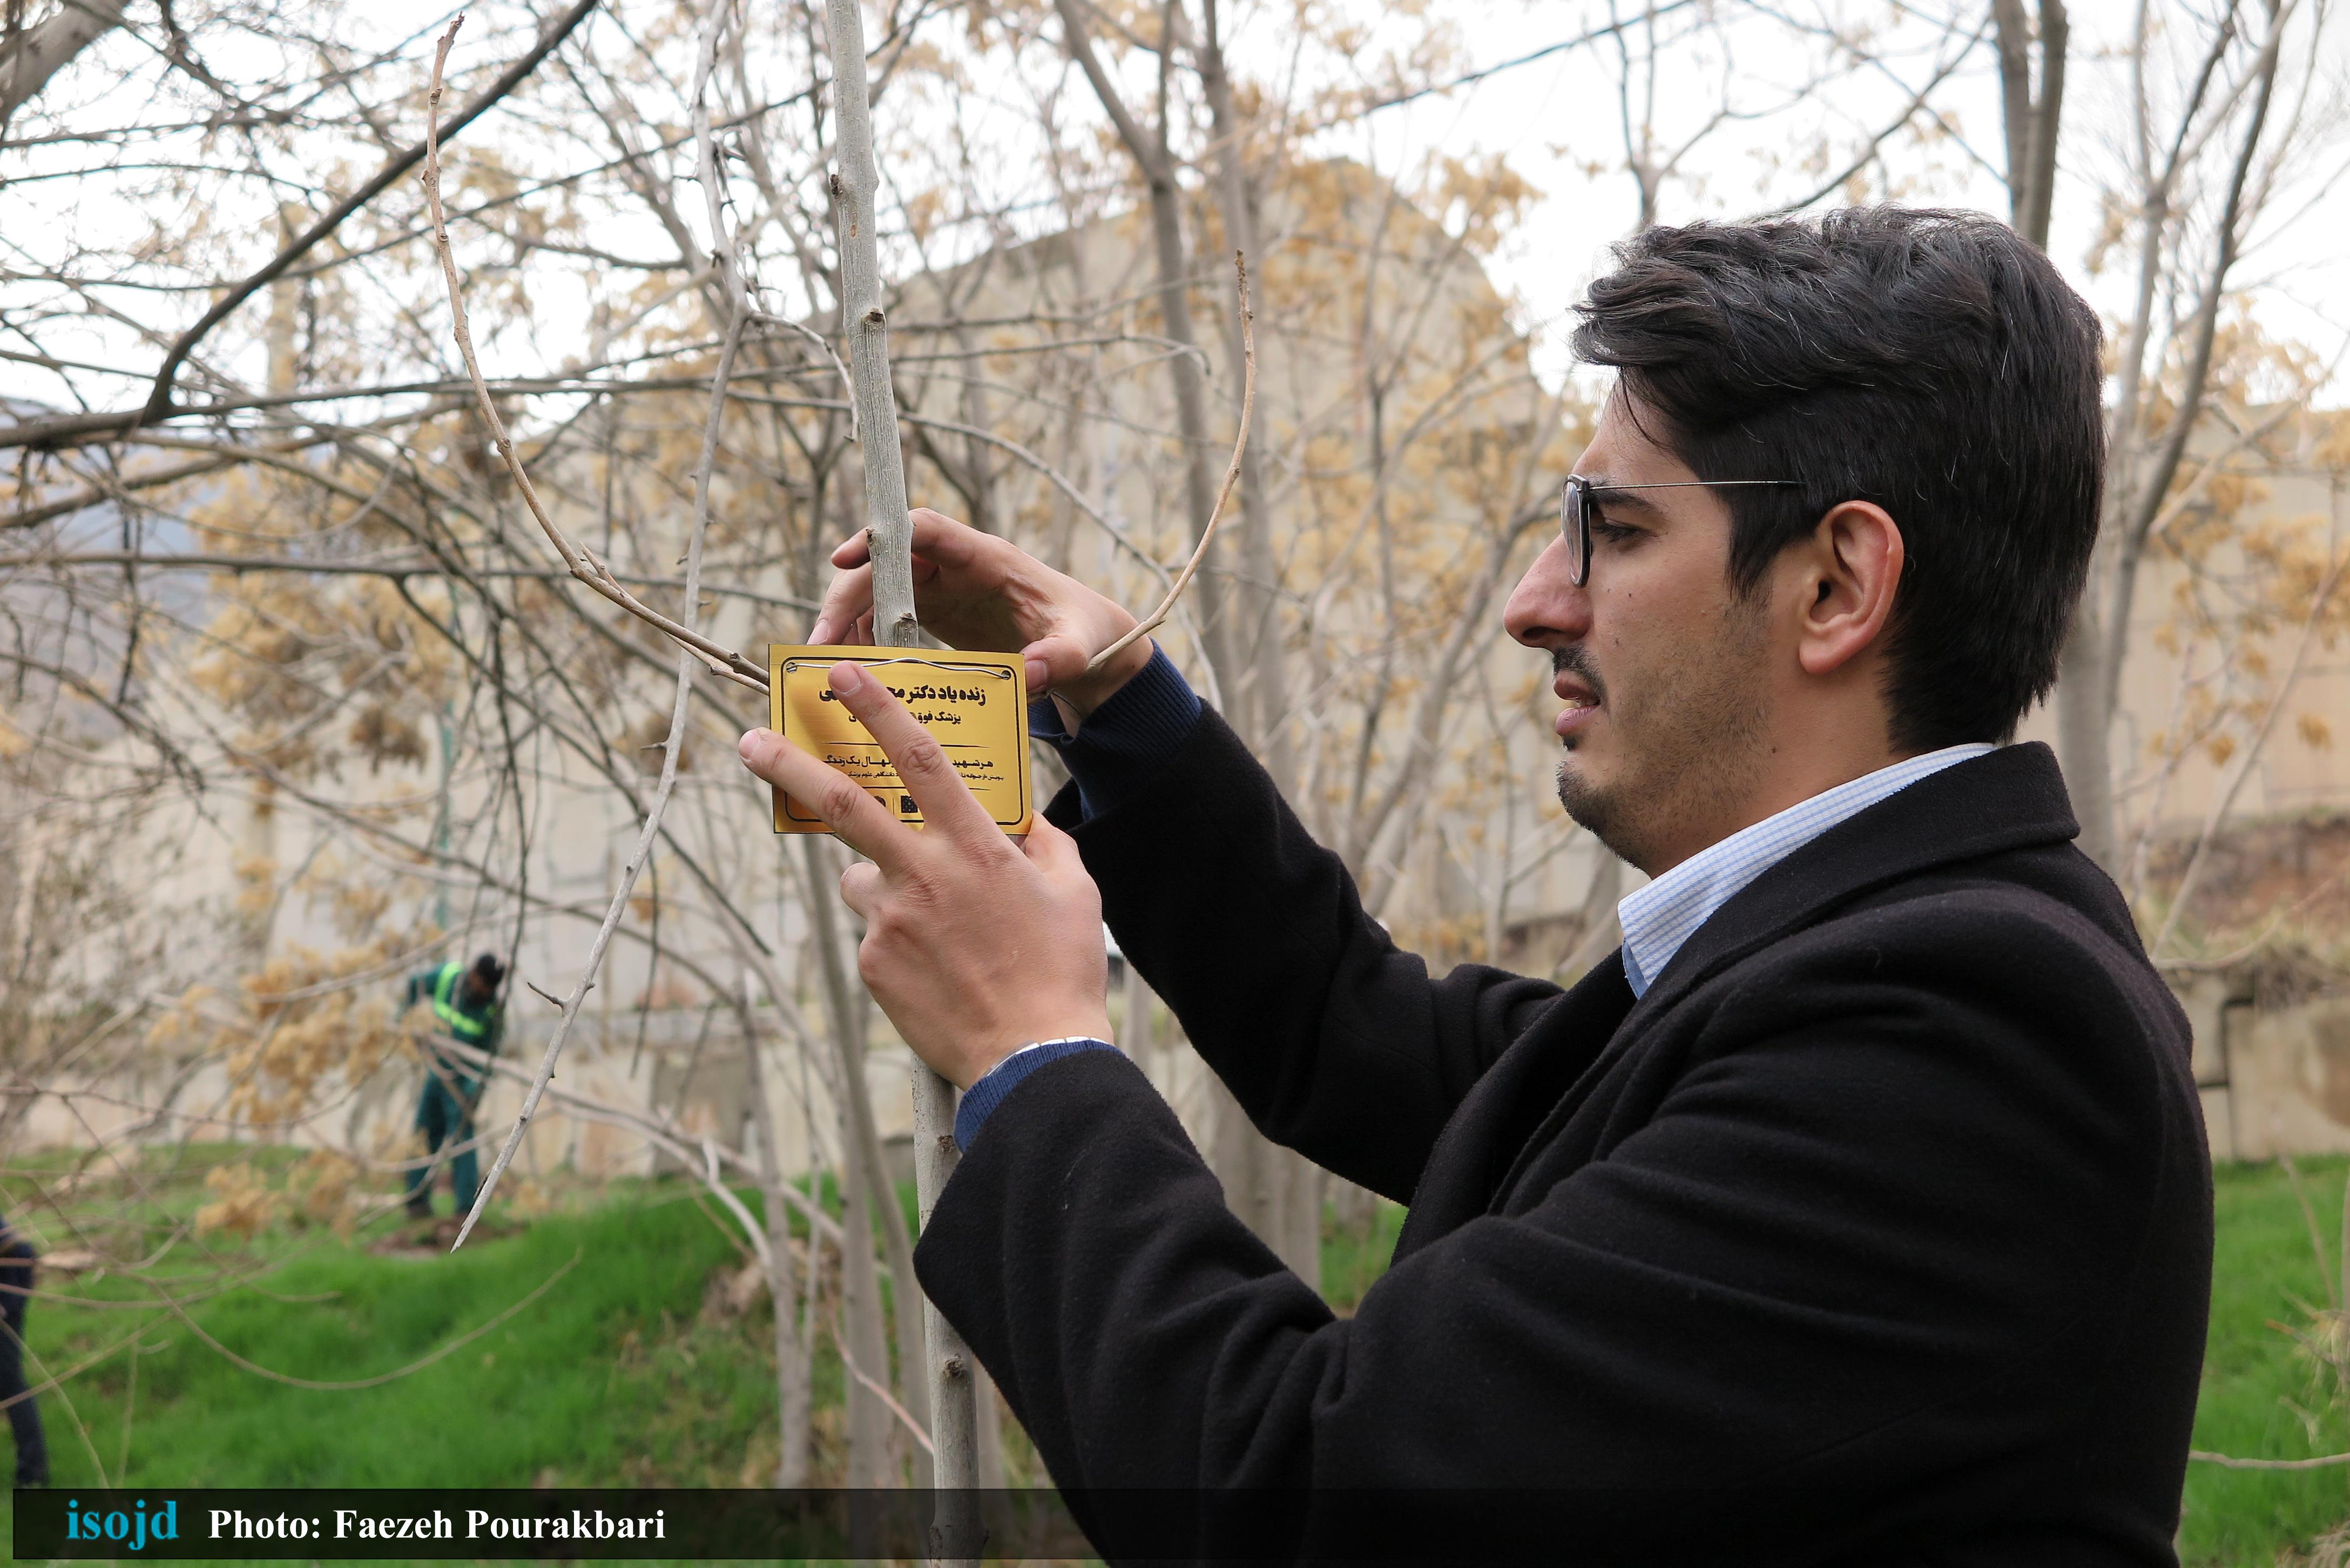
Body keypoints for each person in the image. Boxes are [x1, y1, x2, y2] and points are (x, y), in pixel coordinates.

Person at [740, 208, 2212, 1562]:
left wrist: (1032, 1052)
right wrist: (1117, 706)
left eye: (1614, 532)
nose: (1533, 603)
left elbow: (1306, 1501)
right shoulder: (1857, 966)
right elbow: (1356, 1032)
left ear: (1834, 585)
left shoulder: (1966, 1037)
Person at [403, 952, 505, 1220]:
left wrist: (473, 1091)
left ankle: (465, 1209)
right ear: (474, 975)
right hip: (436, 1073)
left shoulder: (492, 1010)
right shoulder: (448, 977)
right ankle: (416, 1202)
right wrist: (407, 1019)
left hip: (461, 1084)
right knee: (424, 1135)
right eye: (484, 985)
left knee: (462, 1142)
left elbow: (489, 1057)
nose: (485, 991)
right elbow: (414, 984)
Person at [1, 1210, 49, 1487]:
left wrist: (6, 1303)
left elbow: (22, 1252)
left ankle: (33, 1471)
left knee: (9, 1383)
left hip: (6, 1305)